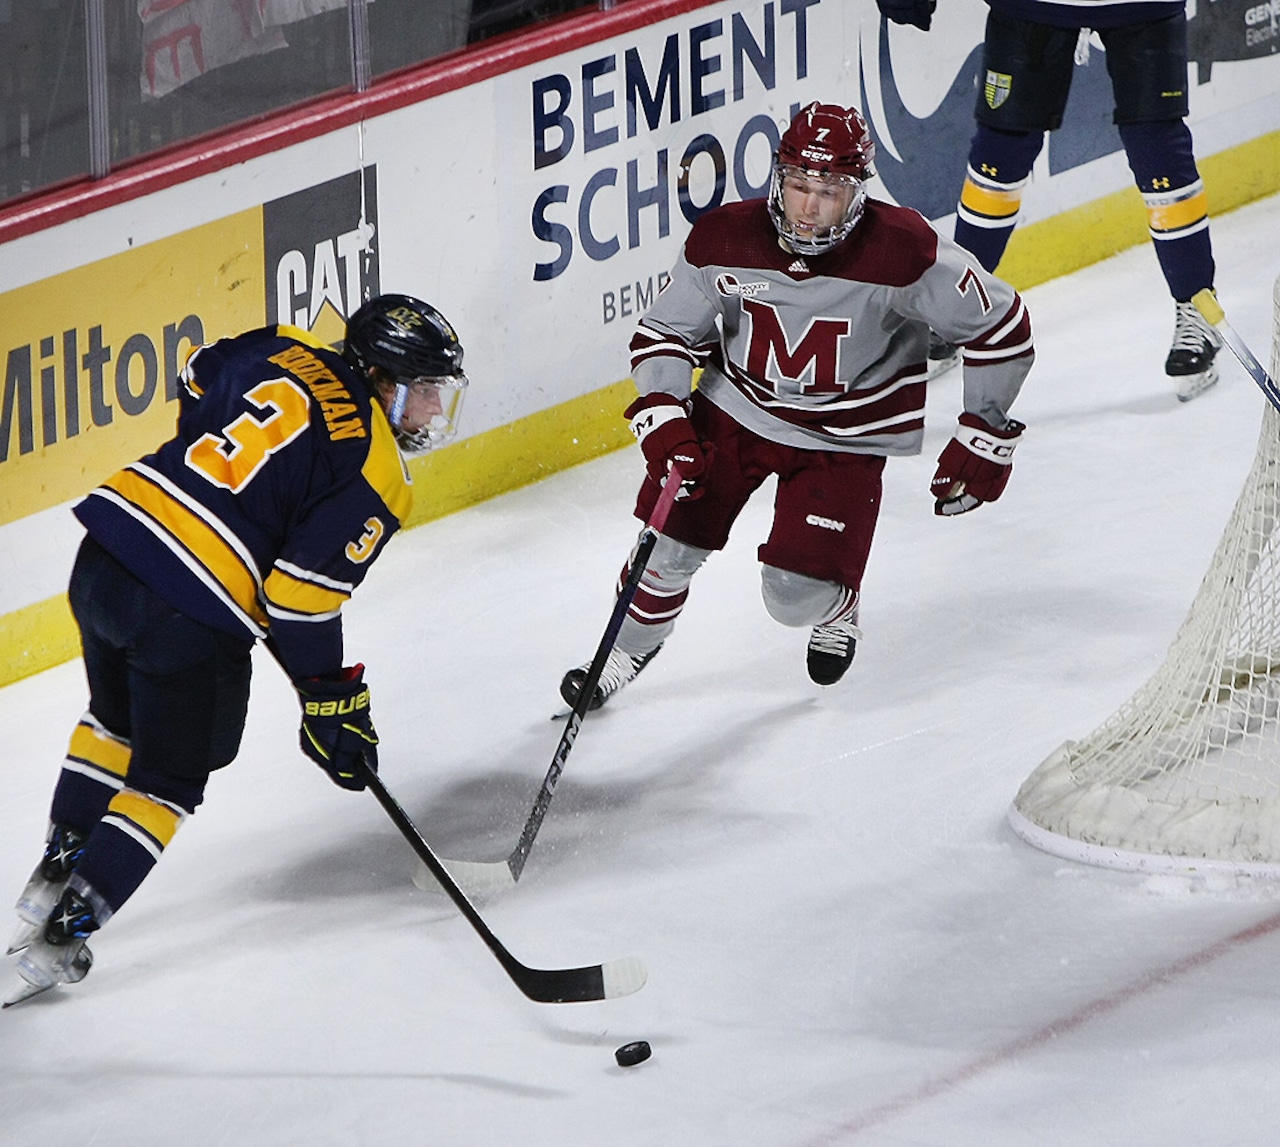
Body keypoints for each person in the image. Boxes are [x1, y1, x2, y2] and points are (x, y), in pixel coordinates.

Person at [4, 294, 468, 1006]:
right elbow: (297, 600)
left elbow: (195, 378)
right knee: (167, 783)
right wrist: (332, 699)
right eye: (428, 389)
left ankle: (48, 881)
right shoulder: (378, 471)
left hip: (108, 550)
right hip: (185, 614)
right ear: (382, 378)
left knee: (113, 723)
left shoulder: (283, 345)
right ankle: (59, 940)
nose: (435, 410)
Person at [558, 101, 1035, 711]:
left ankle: (837, 603)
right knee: (669, 546)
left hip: (845, 437)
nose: (809, 207)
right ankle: (623, 651)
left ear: (858, 193)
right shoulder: (724, 238)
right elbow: (665, 333)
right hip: (735, 412)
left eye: (829, 192)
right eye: (798, 185)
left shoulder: (905, 252)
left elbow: (1002, 327)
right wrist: (664, 410)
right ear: (778, 178)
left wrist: (983, 430)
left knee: (792, 597)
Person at [877, 0, 1221, 401]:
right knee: (998, 157)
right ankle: (957, 307)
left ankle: (1196, 304)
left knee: (1159, 153)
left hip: (1140, 7)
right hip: (1032, 6)